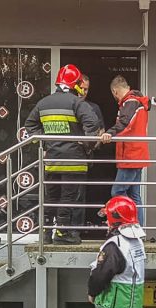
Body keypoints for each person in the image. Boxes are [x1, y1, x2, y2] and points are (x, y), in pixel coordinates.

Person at [24, 64, 100, 245]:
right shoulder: (77, 103)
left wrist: (47, 140)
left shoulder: (44, 103)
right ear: (75, 84)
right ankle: (62, 233)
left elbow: (30, 127)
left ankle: (45, 234)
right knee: (68, 198)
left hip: (51, 160)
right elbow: (93, 124)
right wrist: (86, 145)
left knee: (50, 198)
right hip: (73, 161)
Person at [99, 76, 151, 226]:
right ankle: (138, 229)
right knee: (135, 195)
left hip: (130, 155)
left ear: (115, 91)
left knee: (117, 191)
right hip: (138, 154)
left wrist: (108, 133)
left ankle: (125, 226)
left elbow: (124, 122)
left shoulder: (130, 102)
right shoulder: (139, 101)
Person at [73, 74, 106, 233]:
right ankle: (62, 229)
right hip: (65, 156)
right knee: (63, 194)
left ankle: (77, 230)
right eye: (81, 88)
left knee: (80, 194)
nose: (84, 92)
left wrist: (91, 145)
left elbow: (101, 131)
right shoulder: (67, 106)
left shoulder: (93, 107)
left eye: (87, 89)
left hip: (85, 157)